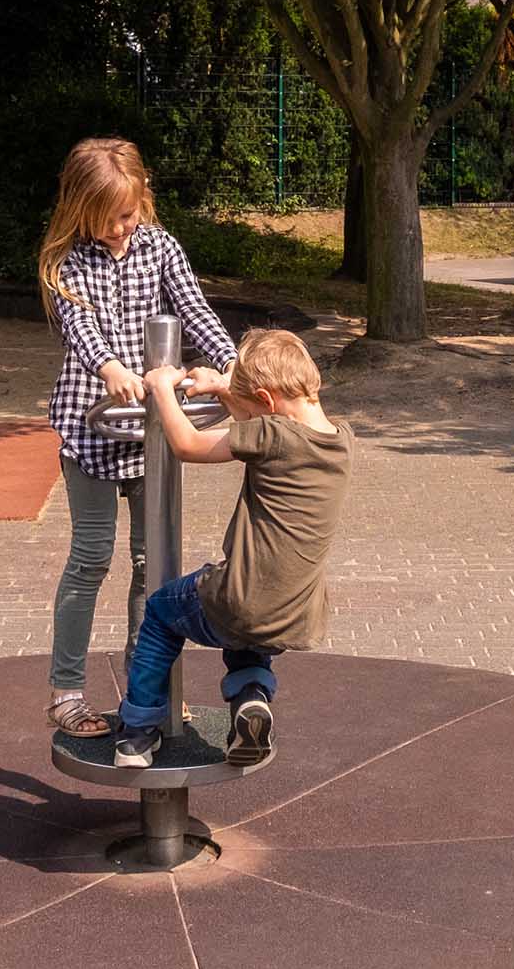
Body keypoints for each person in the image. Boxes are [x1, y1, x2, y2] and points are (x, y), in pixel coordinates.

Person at [38, 136, 236, 738]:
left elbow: (194, 310)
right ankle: (66, 691)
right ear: (81, 210)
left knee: (153, 565)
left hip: (153, 432)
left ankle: (143, 688)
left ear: (142, 200)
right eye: (109, 218)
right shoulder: (70, 260)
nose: (122, 228)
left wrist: (230, 366)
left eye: (128, 214)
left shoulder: (160, 247)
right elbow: (80, 325)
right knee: (92, 557)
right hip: (94, 427)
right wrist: (109, 368)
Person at [110, 328, 350, 769]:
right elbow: (258, 414)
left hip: (239, 599)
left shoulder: (272, 436)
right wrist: (223, 387)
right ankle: (250, 701)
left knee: (161, 612)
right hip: (296, 612)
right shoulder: (341, 439)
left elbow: (186, 444)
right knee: (248, 636)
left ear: (267, 402)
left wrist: (161, 388)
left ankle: (137, 733)